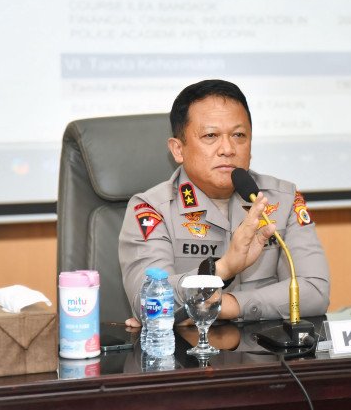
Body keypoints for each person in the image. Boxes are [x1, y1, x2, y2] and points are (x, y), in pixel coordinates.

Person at [118, 79, 330, 325]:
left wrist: (222, 305)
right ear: (178, 149)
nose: (228, 149)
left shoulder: (282, 199)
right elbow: (150, 303)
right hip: (191, 348)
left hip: (266, 346)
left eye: (239, 135)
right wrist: (224, 268)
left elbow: (315, 291)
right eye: (211, 136)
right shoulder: (152, 209)